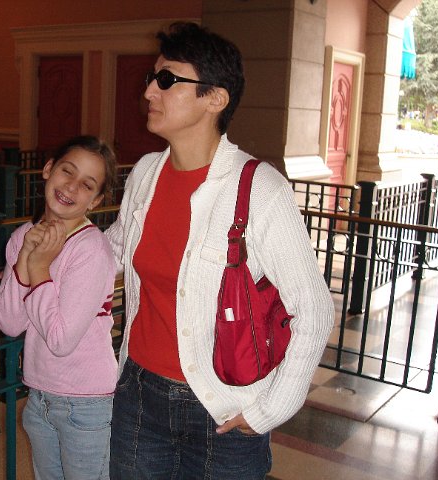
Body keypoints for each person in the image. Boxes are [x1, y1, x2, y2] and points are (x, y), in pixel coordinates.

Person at [105, 22, 334, 479]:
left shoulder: (260, 189)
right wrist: (54, 247)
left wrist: (270, 410)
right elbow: (114, 247)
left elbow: (315, 309)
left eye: (166, 79)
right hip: (139, 394)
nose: (149, 91)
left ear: (215, 98)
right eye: (152, 78)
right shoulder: (146, 173)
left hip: (222, 412)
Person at [0, 135, 118, 480]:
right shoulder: (24, 236)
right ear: (48, 169)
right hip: (39, 395)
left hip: (87, 403)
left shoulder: (91, 250)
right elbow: (9, 323)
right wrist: (24, 258)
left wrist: (39, 268)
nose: (71, 187)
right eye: (67, 171)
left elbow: (61, 340)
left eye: (87, 185)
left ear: (95, 200)